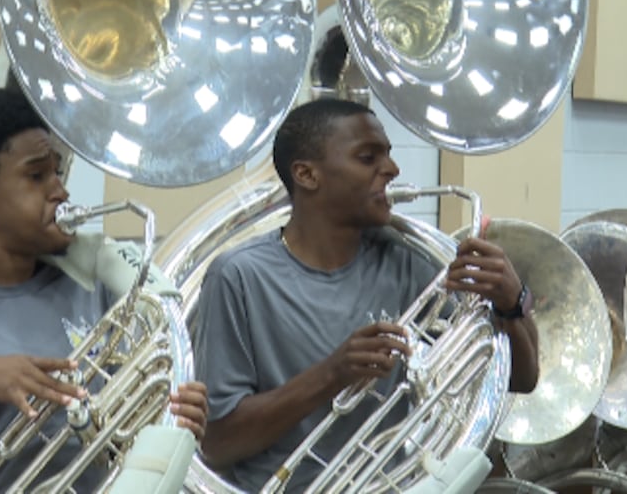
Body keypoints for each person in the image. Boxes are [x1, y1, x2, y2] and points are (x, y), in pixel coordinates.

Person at [0, 86, 209, 494]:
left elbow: (128, 433)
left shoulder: (94, 287)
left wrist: (174, 422)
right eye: (36, 175)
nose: (61, 191)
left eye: (58, 172)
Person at [194, 98, 540, 492]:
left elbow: (518, 379)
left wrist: (512, 303)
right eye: (367, 157)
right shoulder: (238, 274)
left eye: (388, 156)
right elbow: (219, 444)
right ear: (307, 175)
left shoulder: (409, 261)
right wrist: (333, 374)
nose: (391, 170)